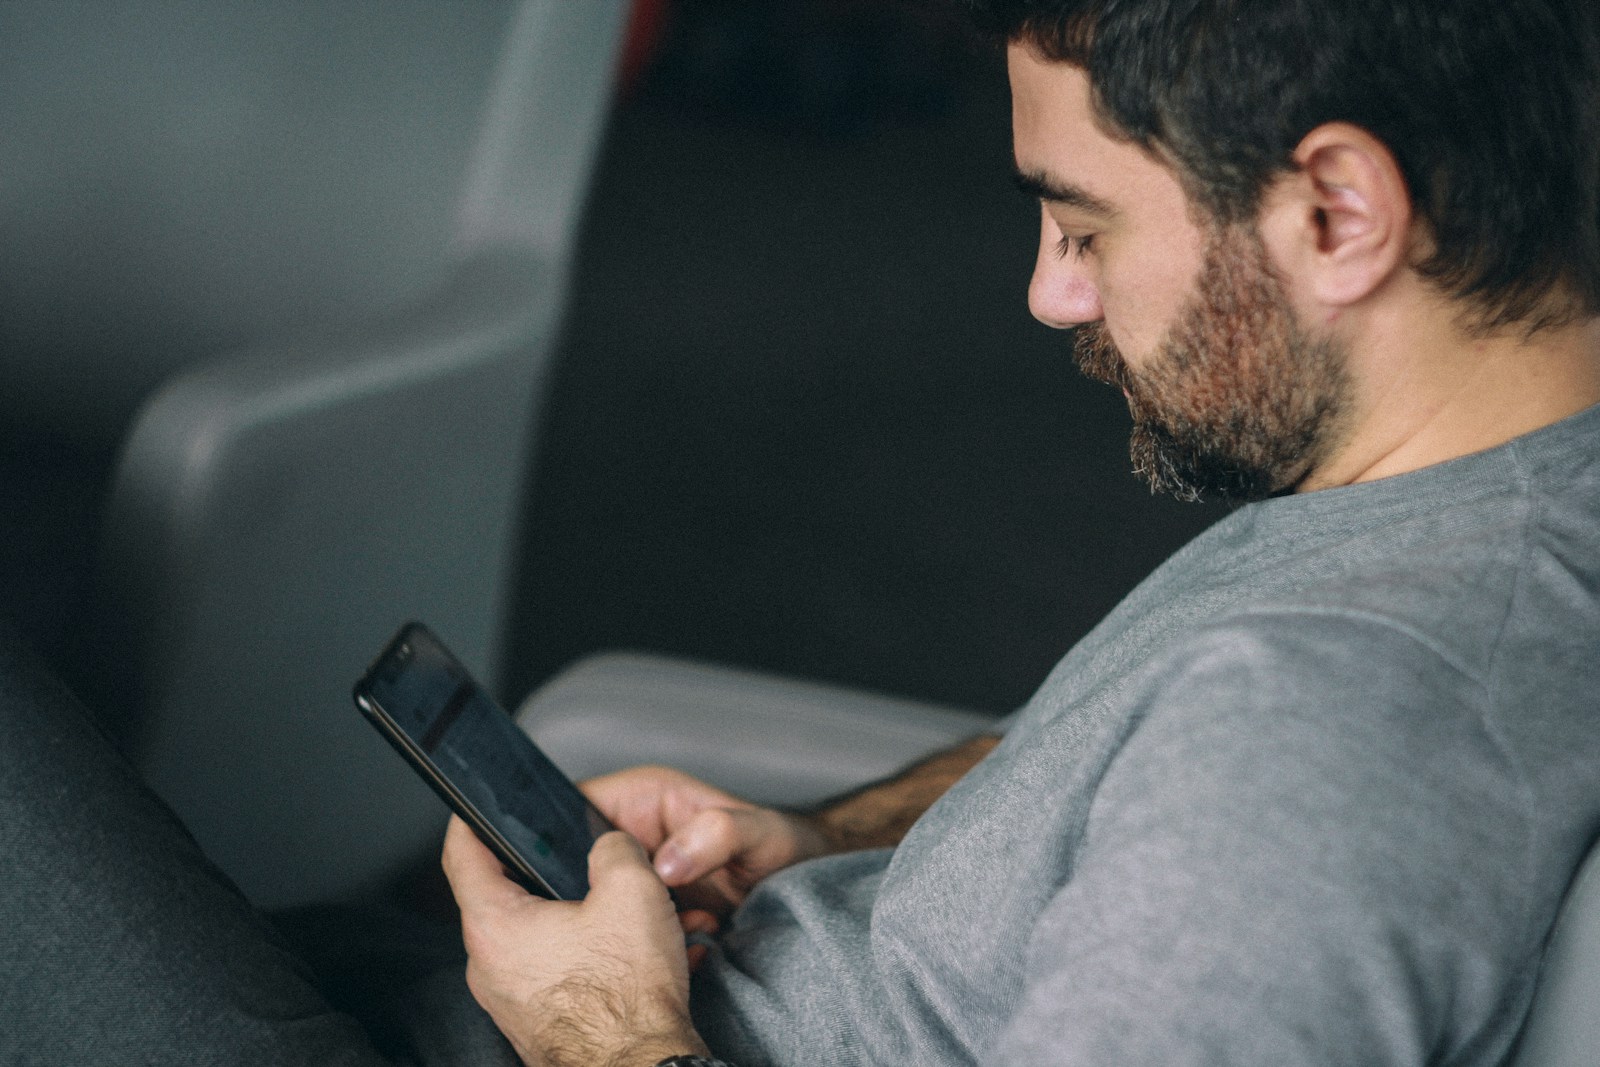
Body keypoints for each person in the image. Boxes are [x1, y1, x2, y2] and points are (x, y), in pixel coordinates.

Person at [4, 0, 1597, 1064]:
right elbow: (1129, 779)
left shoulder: (1340, 734)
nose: (1050, 292)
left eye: (1083, 222)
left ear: (1336, 212)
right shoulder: (1472, 489)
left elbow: (1262, 787)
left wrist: (608, 1036)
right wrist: (826, 838)